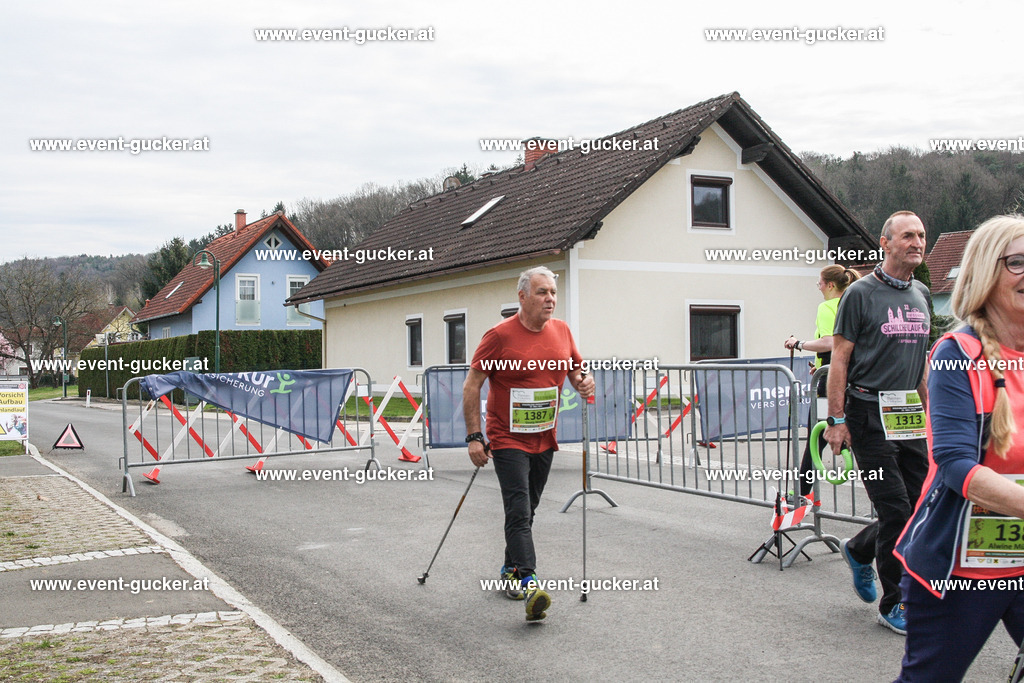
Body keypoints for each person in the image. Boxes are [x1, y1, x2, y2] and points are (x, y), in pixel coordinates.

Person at [894, 215, 1024, 680]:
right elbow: (955, 465)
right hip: (959, 569)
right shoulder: (956, 353)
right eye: (1018, 263)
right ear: (987, 273)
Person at [462, 266, 595, 622]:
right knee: (519, 508)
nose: (550, 299)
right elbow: (472, 385)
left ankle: (509, 568)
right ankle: (530, 583)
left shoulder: (562, 331)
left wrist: (584, 382)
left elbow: (578, 371)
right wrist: (475, 437)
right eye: (542, 292)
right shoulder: (499, 336)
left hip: (544, 437)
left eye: (552, 292)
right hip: (506, 438)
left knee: (528, 510)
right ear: (522, 297)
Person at [824, 210, 932, 635]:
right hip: (867, 414)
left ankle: (859, 547)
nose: (917, 243)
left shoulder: (922, 292)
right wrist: (836, 419)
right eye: (907, 236)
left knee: (919, 504)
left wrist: (930, 415)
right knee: (896, 509)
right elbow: (840, 358)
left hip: (909, 413)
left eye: (922, 235)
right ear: (885, 243)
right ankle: (896, 602)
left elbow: (919, 361)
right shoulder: (860, 294)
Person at [784, 264, 861, 498]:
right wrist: (818, 366)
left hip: (831, 385)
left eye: (819, 282)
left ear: (829, 285)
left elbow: (830, 342)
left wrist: (799, 344)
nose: (818, 286)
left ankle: (801, 495)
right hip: (853, 379)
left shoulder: (827, 306)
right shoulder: (854, 304)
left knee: (815, 441)